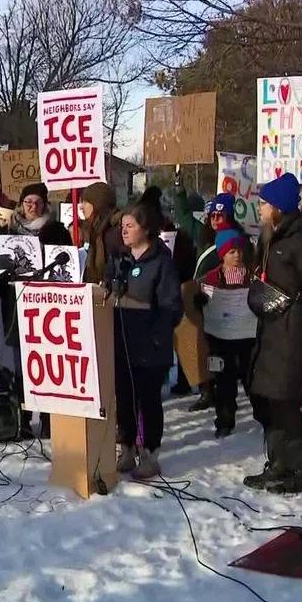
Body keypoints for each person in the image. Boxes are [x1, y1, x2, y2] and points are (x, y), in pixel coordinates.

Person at [243, 173, 302, 494]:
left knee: (285, 404)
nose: (260, 209)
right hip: (269, 333)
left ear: (279, 207)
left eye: (264, 204)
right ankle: (279, 462)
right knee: (266, 400)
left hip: (292, 338)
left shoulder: (301, 244)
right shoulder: (270, 240)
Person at [108, 203, 183, 479]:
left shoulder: (162, 263)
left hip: (150, 345)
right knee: (124, 398)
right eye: (122, 226)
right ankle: (126, 447)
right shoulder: (118, 258)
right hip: (122, 341)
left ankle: (150, 452)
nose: (124, 231)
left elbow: (172, 307)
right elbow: (106, 289)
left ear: (146, 229)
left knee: (148, 401)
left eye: (130, 226)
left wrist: (154, 329)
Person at [196, 228, 257, 438]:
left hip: (248, 335)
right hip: (221, 338)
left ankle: (262, 412)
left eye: (239, 250)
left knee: (253, 376)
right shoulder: (211, 279)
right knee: (224, 380)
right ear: (222, 254)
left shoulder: (252, 275)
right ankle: (224, 419)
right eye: (231, 251)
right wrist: (200, 302)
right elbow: (202, 301)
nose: (237, 255)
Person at [79, 181, 124, 285]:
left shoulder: (115, 231)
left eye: (85, 202)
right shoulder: (91, 230)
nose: (81, 207)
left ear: (97, 204)